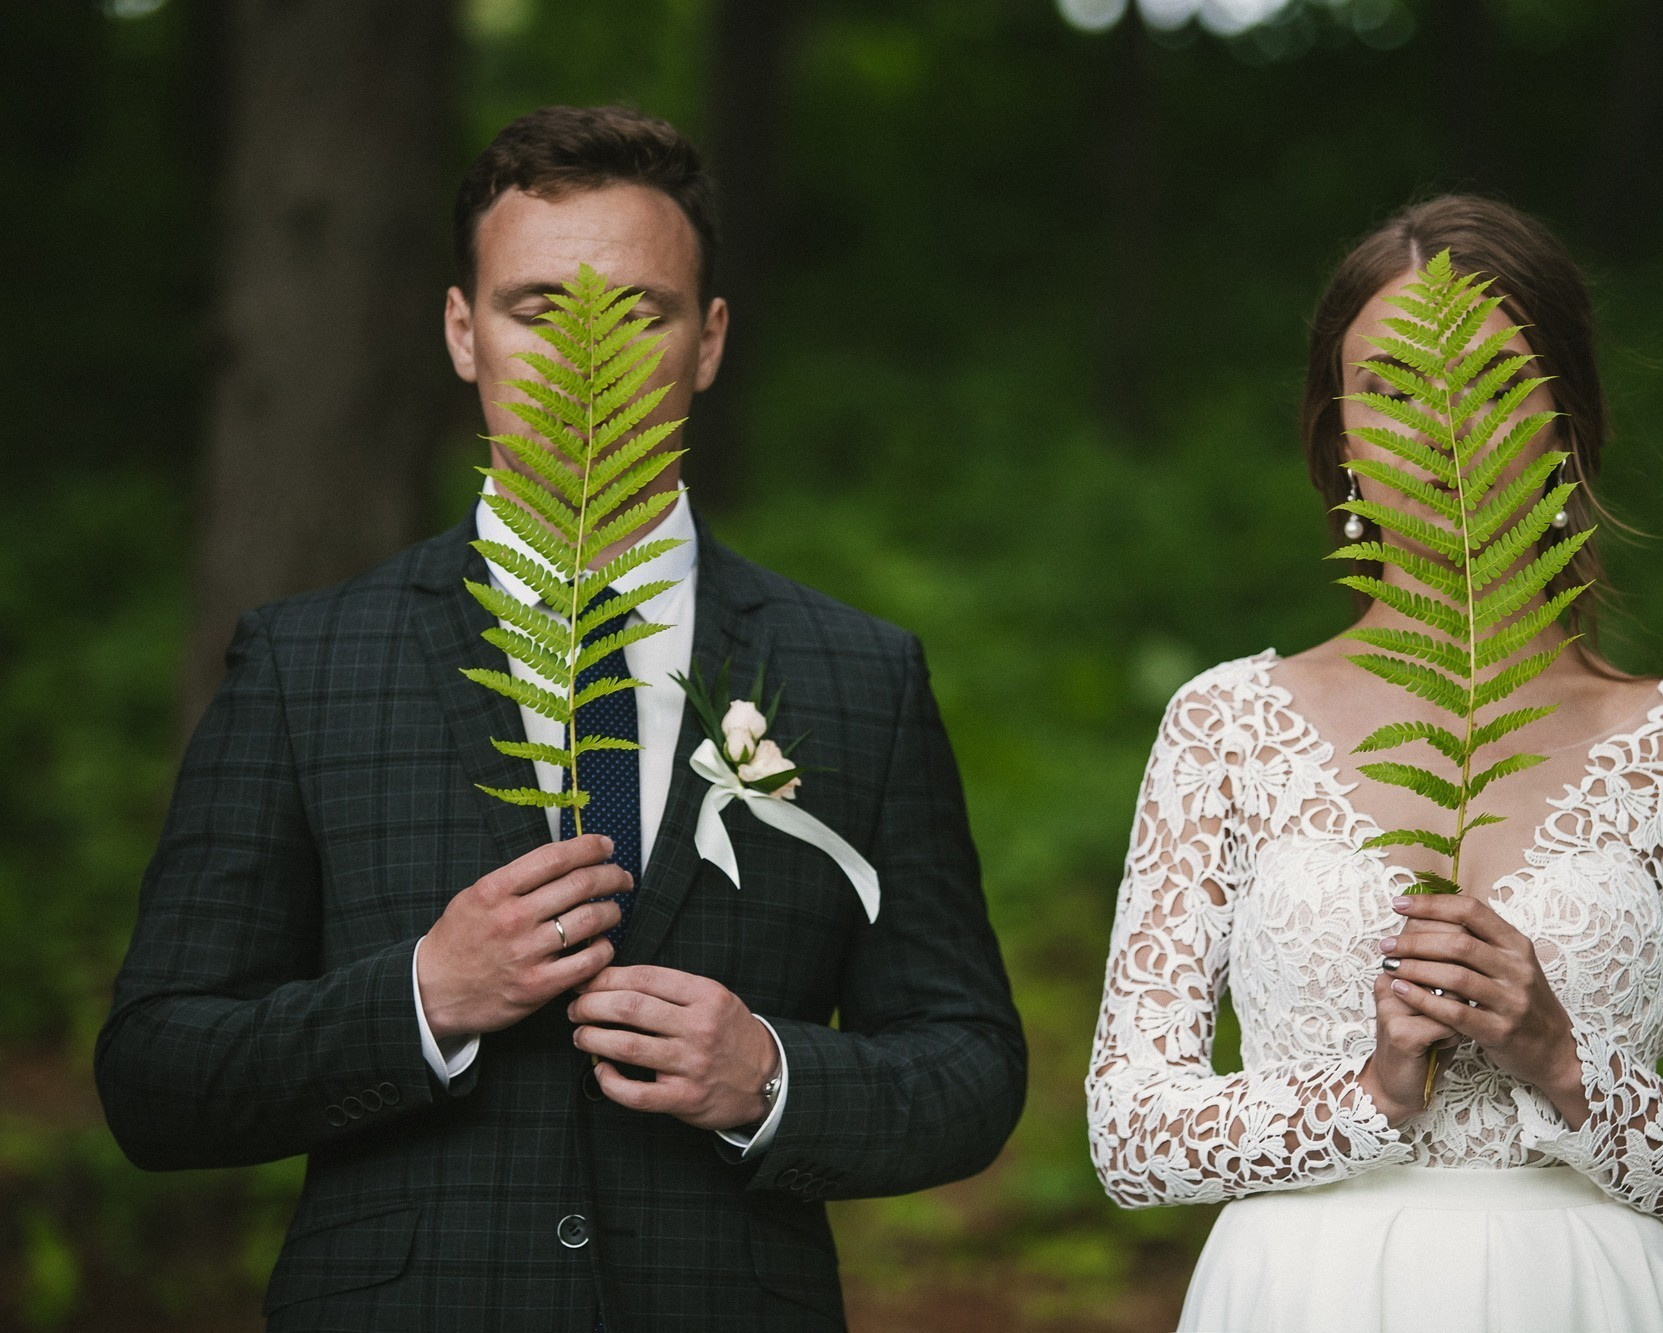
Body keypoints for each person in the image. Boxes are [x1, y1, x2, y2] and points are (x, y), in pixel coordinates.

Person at [95, 105, 1026, 1331]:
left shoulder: (857, 672)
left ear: (709, 341)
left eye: (639, 312)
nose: (586, 360)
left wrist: (768, 1077)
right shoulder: (307, 660)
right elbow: (155, 1076)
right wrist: (421, 995)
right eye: (536, 309)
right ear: (460, 332)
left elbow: (968, 1065)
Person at [1085, 195, 1663, 1332]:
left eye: (1493, 388)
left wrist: (1566, 1061)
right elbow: (1130, 1138)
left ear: (1568, 419)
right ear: (1340, 434)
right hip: (1298, 1291)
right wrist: (1368, 1092)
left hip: (1579, 1295)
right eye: (1393, 392)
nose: (1442, 432)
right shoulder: (1224, 724)